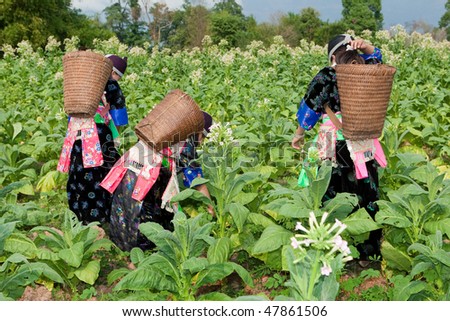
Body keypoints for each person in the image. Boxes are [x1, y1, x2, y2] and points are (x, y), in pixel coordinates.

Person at [291, 34, 386, 262]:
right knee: (367, 189)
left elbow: (310, 107)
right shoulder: (367, 70)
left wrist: (299, 134)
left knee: (332, 191)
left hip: (332, 141)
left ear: (333, 56)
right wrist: (366, 47)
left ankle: (335, 246)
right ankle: (370, 248)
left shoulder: (327, 75)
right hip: (362, 140)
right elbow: (378, 58)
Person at [100, 111, 214, 252]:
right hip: (147, 178)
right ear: (197, 131)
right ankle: (140, 254)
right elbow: (196, 179)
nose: (201, 142)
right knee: (144, 214)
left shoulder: (165, 129)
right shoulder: (187, 141)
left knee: (125, 206)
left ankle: (123, 248)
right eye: (203, 137)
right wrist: (210, 205)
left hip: (130, 167)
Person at [57, 54, 128, 224]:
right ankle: (98, 218)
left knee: (77, 172)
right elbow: (119, 116)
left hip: (75, 132)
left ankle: (77, 216)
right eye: (118, 74)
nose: (117, 78)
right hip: (98, 135)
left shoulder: (82, 81)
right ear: (112, 70)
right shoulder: (111, 83)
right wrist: (114, 135)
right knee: (101, 173)